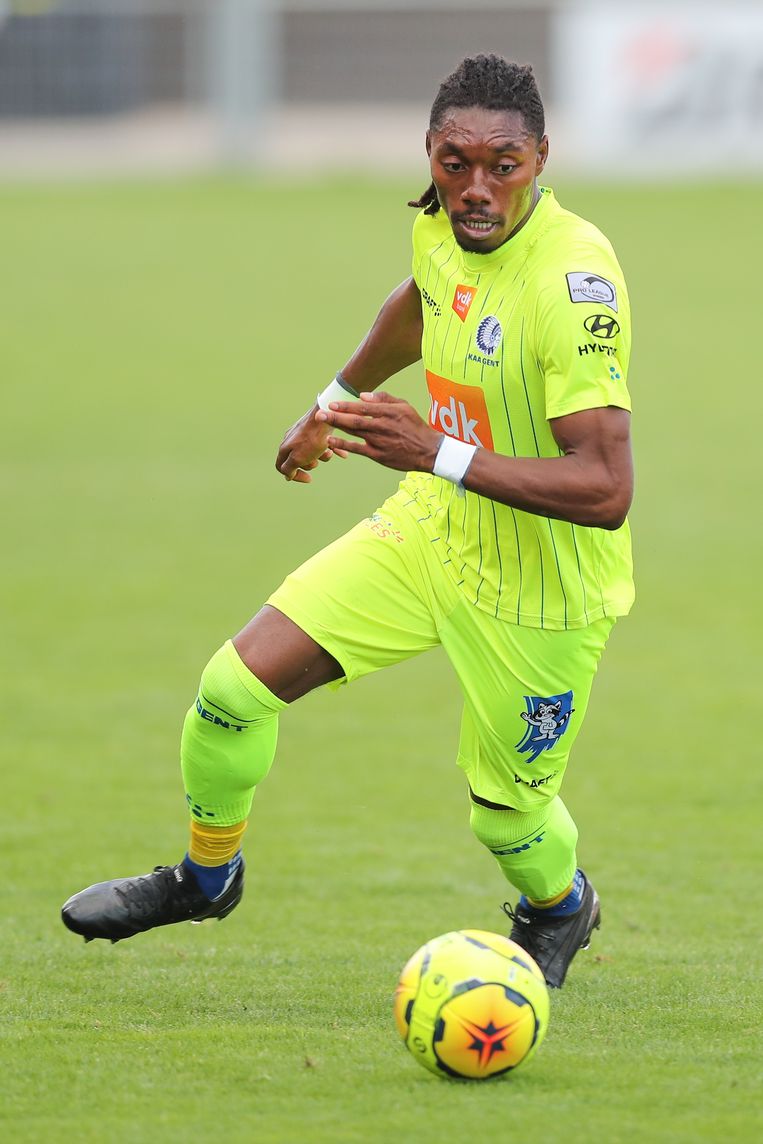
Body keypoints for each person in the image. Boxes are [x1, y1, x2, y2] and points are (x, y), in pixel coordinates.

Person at [62, 54, 634, 990]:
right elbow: (419, 302)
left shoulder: (573, 288)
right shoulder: (443, 221)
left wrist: (434, 450)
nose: (475, 189)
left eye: (502, 167)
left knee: (507, 818)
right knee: (230, 690)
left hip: (542, 593)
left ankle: (560, 904)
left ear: (541, 158)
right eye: (454, 164)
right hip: (431, 533)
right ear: (430, 154)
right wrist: (331, 403)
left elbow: (606, 488)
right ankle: (207, 877)